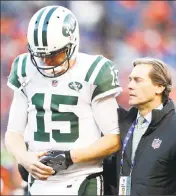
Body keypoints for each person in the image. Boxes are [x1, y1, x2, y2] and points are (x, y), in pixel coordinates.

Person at [4, 5, 122, 195]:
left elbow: (114, 138)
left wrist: (70, 157)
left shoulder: (94, 71)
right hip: (38, 181)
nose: (46, 62)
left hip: (83, 177)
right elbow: (13, 133)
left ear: (72, 43)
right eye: (40, 55)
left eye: (53, 54)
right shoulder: (24, 67)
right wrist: (24, 158)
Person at [114, 57, 176, 195]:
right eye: (130, 79)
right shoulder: (121, 124)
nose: (130, 85)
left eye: (138, 80)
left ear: (159, 87)